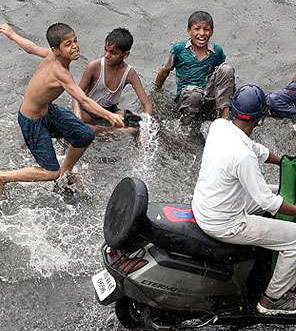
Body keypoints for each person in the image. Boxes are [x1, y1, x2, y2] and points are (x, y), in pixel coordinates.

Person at [192, 85, 296, 316]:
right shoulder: (243, 158)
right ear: (259, 119)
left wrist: (286, 162)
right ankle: (274, 299)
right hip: (225, 222)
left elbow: (257, 149)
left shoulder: (219, 126)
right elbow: (268, 203)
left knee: (276, 191)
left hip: (210, 203)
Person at [0, 23, 124, 196]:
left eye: (75, 40)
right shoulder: (61, 73)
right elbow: (83, 99)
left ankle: (64, 174)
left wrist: (12, 35)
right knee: (50, 172)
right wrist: (109, 115)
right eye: (68, 44)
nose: (74, 46)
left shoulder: (51, 55)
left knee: (84, 135)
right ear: (56, 49)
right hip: (32, 120)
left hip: (47, 110)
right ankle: (4, 176)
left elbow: (31, 48)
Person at [154, 11, 235, 125]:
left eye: (206, 29)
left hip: (207, 94)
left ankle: (224, 119)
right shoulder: (179, 49)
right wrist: (156, 91)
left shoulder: (216, 51)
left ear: (211, 32)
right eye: (197, 29)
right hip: (188, 96)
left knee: (226, 69)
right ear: (189, 31)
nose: (202, 33)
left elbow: (223, 78)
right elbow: (164, 71)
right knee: (194, 96)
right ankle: (185, 125)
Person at [72, 28, 153, 134]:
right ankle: (105, 130)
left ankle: (103, 130)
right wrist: (77, 115)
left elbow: (147, 104)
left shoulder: (129, 73)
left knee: (139, 124)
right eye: (106, 49)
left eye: (113, 53)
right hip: (88, 110)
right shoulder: (94, 66)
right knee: (78, 121)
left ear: (125, 55)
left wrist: (146, 127)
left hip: (110, 111)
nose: (107, 55)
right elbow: (76, 95)